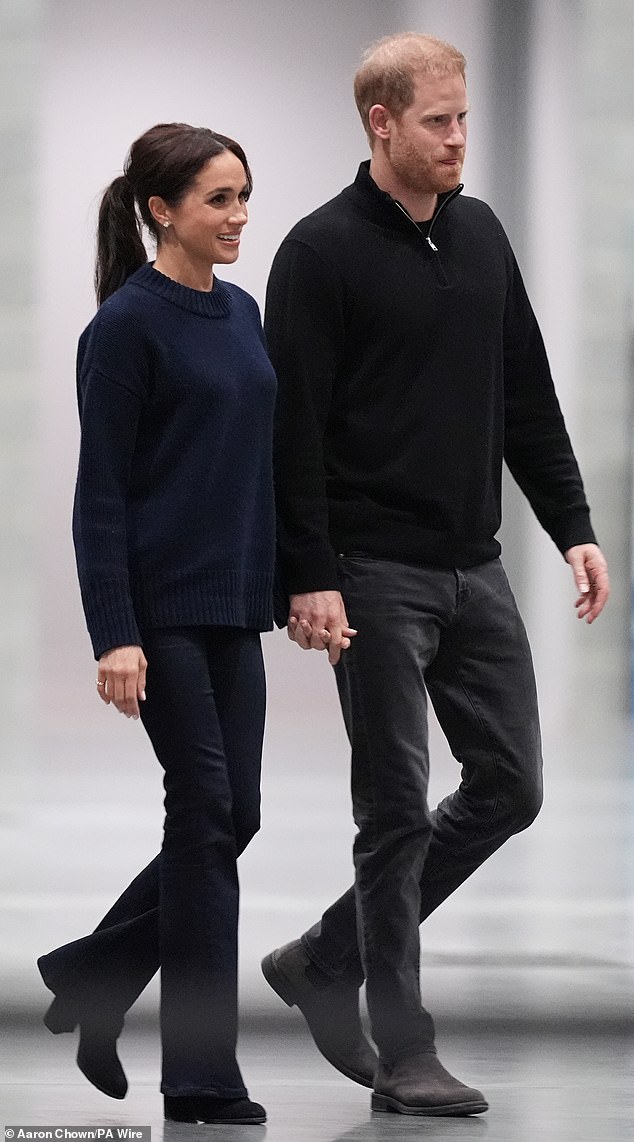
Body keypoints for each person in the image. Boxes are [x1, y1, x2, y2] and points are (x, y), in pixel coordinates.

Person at [261, 32, 609, 1118]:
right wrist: (308, 571)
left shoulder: (480, 233)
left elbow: (527, 392)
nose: (459, 138)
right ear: (381, 124)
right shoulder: (318, 254)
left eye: (464, 118)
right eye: (438, 121)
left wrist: (573, 525)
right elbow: (292, 431)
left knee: (512, 784)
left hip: (474, 567)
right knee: (394, 808)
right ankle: (402, 1047)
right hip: (370, 572)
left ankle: (326, 951)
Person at [36, 122, 276, 1126]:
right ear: (161, 209)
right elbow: (102, 497)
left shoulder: (245, 311)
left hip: (235, 606)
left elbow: (263, 464)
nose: (238, 217)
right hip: (162, 614)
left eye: (243, 196)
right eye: (219, 198)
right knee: (205, 810)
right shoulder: (125, 327)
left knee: (237, 816)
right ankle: (202, 1071)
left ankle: (94, 972)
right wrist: (114, 632)